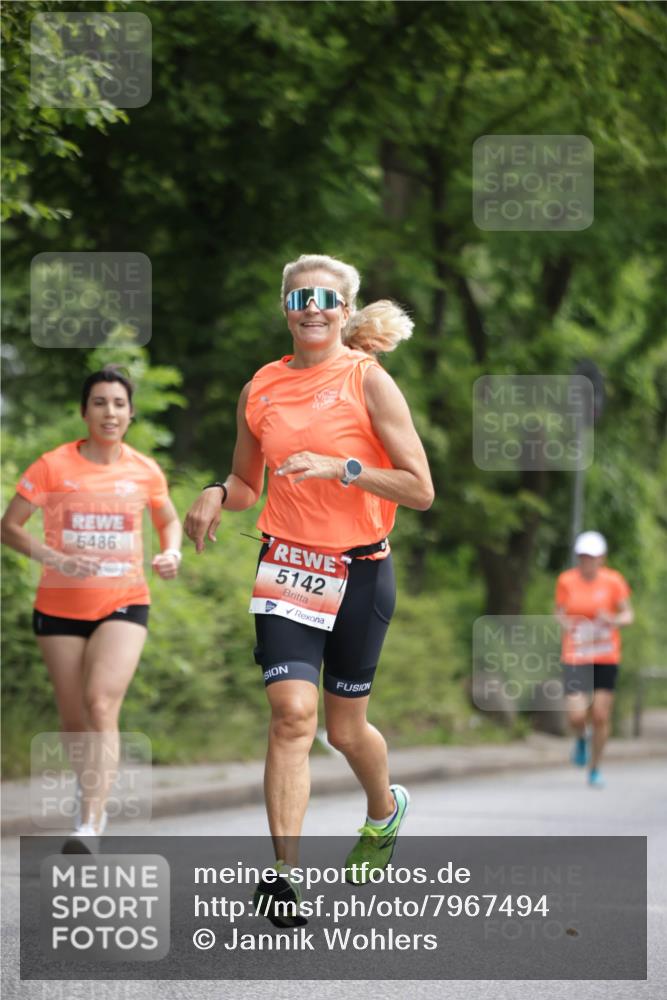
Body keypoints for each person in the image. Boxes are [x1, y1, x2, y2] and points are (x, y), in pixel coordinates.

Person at [184, 254, 434, 925]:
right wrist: (213, 492)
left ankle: (384, 810)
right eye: (300, 298)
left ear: (344, 310)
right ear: (286, 308)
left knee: (344, 731)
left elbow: (419, 489)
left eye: (326, 297)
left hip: (359, 570)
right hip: (287, 566)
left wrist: (343, 468)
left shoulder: (369, 383)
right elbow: (244, 485)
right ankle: (285, 876)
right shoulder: (259, 387)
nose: (313, 307)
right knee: (291, 715)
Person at [1, 365, 182, 851]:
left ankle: (89, 822)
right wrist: (55, 557)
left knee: (101, 701)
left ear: (130, 412)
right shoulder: (52, 466)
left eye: (119, 403)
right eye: (99, 402)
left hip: (124, 602)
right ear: (85, 411)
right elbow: (10, 526)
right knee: (74, 716)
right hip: (59, 607)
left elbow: (168, 520)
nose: (109, 411)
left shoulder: (144, 469)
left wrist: (171, 553)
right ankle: (89, 795)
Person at [555, 531, 633, 789]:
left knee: (600, 714)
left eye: (591, 557)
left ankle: (595, 769)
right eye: (582, 556)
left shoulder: (614, 581)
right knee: (576, 715)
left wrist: (612, 620)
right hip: (576, 653)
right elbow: (559, 613)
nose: (586, 561)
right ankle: (580, 737)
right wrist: (570, 623)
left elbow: (627, 615)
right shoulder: (566, 580)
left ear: (602, 558)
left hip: (605, 654)